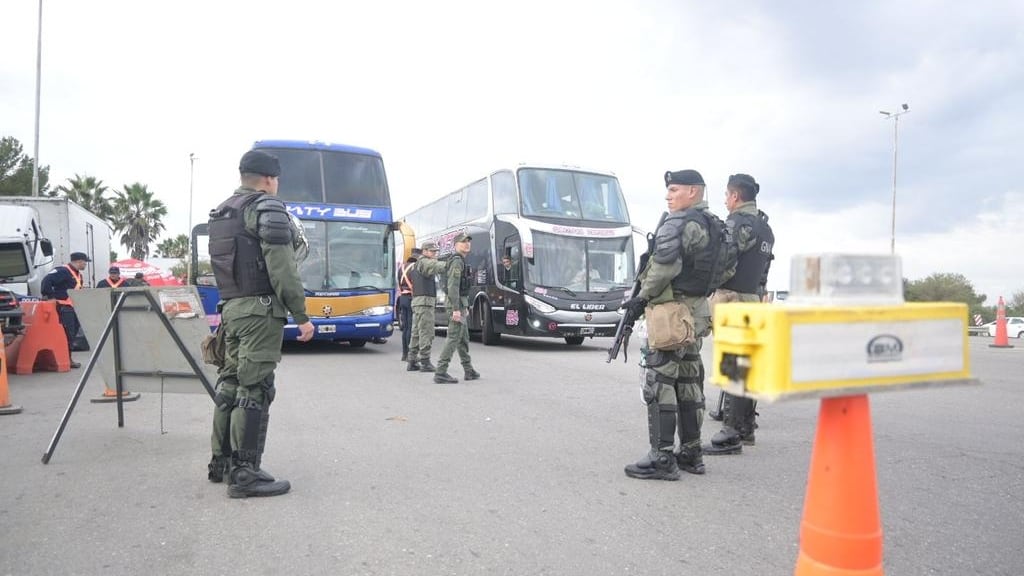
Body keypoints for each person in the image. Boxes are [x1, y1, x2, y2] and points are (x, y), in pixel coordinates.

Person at [206, 149, 315, 499]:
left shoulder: (223, 212)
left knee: (230, 384)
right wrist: (302, 315)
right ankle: (245, 474)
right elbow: (282, 267)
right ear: (270, 178)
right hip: (260, 312)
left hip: (233, 310)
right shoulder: (266, 207)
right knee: (255, 389)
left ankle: (220, 462)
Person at [620, 169, 720, 481]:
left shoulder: (678, 223)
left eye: (674, 190)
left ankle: (662, 457)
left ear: (693, 191)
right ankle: (692, 452)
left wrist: (640, 300)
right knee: (689, 382)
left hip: (670, 313)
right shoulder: (717, 226)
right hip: (696, 311)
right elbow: (725, 270)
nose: (668, 196)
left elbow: (662, 268)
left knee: (660, 382)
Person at [704, 174, 774, 456]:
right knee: (747, 365)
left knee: (734, 364)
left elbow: (725, 259)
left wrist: (708, 284)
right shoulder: (766, 229)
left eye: (726, 195)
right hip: (754, 298)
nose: (724, 201)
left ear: (735, 197)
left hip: (732, 297)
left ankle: (730, 433)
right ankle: (745, 429)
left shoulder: (736, 223)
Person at [433, 233, 480, 384]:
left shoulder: (460, 260)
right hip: (456, 303)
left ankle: (468, 370)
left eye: (468, 241)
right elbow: (453, 287)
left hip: (461, 303)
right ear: (455, 245)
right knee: (453, 337)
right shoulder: (457, 261)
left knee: (463, 338)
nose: (466, 244)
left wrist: (462, 306)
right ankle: (441, 372)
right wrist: (456, 309)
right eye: (462, 242)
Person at [40, 251, 90, 369]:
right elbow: (46, 281)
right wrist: (51, 297)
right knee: (67, 334)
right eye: (84, 263)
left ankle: (68, 357)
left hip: (73, 308)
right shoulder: (62, 271)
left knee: (71, 334)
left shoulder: (78, 274)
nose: (85, 265)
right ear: (79, 262)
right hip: (64, 308)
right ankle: (66, 359)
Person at [407, 242, 445, 372]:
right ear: (425, 251)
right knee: (426, 332)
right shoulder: (424, 262)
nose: (435, 254)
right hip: (425, 302)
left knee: (416, 332)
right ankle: (425, 361)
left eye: (435, 252)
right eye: (432, 251)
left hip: (418, 301)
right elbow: (434, 266)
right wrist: (450, 264)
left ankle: (412, 360)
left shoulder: (418, 263)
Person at [396, 249, 419, 361]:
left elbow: (399, 284)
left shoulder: (401, 267)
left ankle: (404, 354)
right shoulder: (415, 267)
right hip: (411, 298)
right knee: (411, 327)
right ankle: (410, 354)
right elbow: (416, 284)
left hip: (402, 298)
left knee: (405, 328)